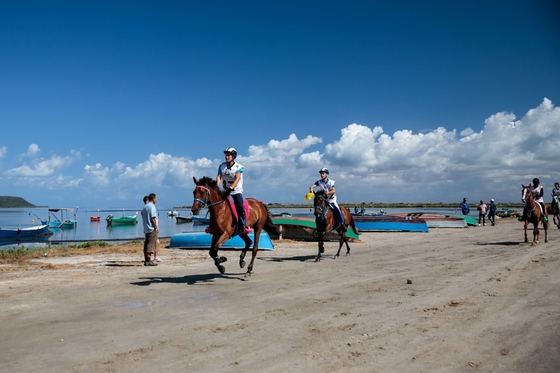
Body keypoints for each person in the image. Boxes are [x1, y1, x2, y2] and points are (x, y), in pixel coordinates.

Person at [216, 147, 249, 232]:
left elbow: (237, 178)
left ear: (233, 156)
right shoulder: (222, 166)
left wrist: (231, 188)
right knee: (215, 205)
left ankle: (243, 224)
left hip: (236, 190)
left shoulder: (238, 167)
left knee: (239, 206)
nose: (227, 157)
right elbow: (219, 177)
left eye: (229, 155)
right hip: (225, 190)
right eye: (226, 155)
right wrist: (216, 187)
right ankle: (212, 225)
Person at [141, 193, 159, 266]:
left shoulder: (145, 206)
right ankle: (148, 260)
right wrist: (155, 227)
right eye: (156, 198)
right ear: (153, 198)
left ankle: (146, 259)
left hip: (146, 227)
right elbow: (153, 218)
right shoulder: (152, 207)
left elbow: (142, 214)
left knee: (147, 243)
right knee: (151, 244)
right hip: (151, 228)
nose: (156, 200)